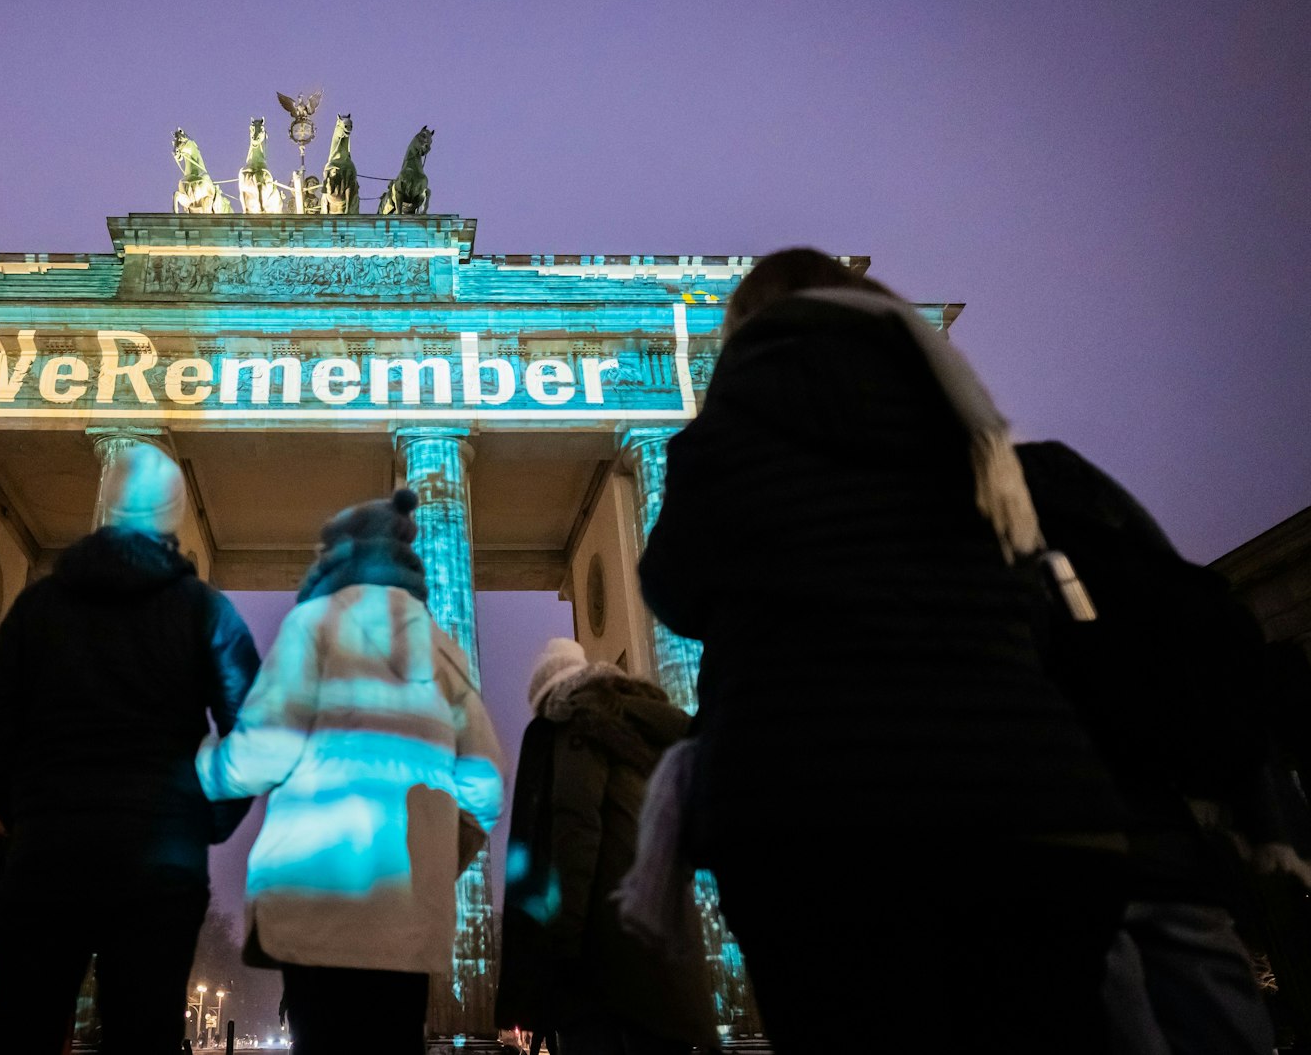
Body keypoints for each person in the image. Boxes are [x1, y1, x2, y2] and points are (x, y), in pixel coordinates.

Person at [639, 247, 1127, 1054]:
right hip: (1033, 805)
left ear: (744, 323)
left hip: (825, 815)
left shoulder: (736, 418)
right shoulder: (964, 414)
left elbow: (674, 589)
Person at [0, 441, 260, 1053]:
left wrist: (30, 814)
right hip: (161, 866)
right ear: (176, 517)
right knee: (142, 1034)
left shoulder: (39, 606)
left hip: (49, 858)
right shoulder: (205, 611)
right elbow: (255, 738)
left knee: (22, 1029)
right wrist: (203, 821)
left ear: (107, 508)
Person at [196, 488, 507, 1055]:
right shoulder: (445, 653)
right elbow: (486, 785)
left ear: (335, 557)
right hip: (408, 914)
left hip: (318, 902)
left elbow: (265, 750)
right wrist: (437, 858)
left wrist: (202, 768)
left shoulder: (314, 625)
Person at [1019, 439, 1299, 1054]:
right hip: (1165, 841)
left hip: (1057, 845)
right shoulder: (1054, 480)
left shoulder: (989, 557)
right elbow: (1213, 656)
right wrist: (1265, 822)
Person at [496, 638, 720, 1054]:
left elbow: (576, 835)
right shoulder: (650, 730)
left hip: (602, 961)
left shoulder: (576, 728)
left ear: (551, 700)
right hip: (665, 947)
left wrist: (558, 951)